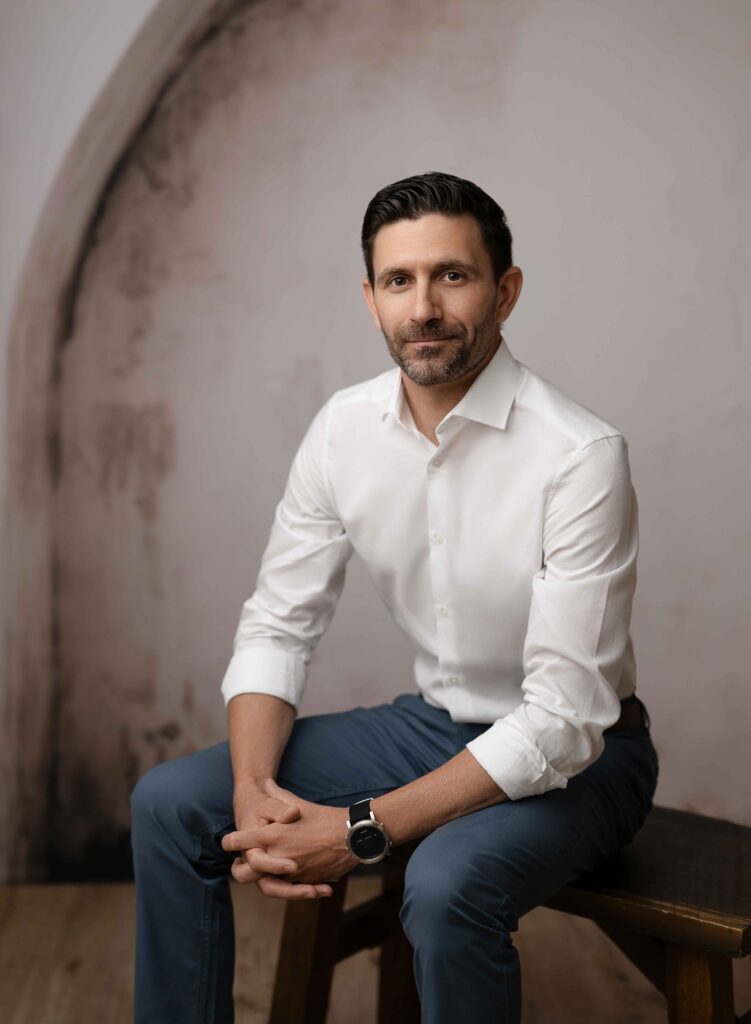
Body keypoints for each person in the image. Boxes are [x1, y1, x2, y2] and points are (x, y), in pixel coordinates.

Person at [130, 171, 659, 1023]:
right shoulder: (343, 428)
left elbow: (562, 718)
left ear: (504, 291)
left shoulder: (578, 455)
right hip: (429, 725)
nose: (423, 308)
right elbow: (278, 621)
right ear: (370, 299)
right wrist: (254, 789)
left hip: (587, 758)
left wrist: (357, 831)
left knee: (446, 890)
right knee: (168, 803)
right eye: (398, 281)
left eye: (452, 276)